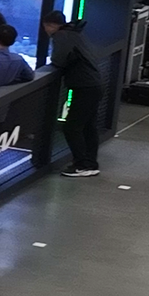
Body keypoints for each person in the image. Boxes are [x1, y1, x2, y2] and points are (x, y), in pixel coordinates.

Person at [43, 10, 106, 177]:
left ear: (50, 25)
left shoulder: (61, 36)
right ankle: (90, 163)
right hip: (94, 84)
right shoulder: (75, 34)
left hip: (84, 86)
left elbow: (59, 59)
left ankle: (81, 164)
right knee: (89, 126)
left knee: (72, 127)